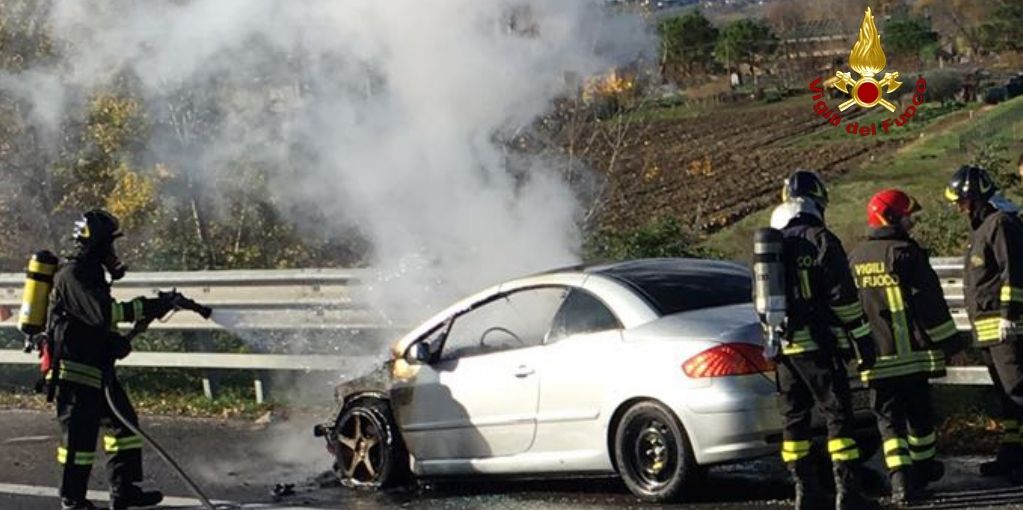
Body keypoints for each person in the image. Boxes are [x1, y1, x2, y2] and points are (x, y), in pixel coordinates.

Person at [770, 170, 879, 510]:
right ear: (818, 202)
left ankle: (805, 492)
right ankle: (849, 493)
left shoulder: (773, 245)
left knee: (794, 419)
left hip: (785, 347)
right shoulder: (821, 240)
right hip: (820, 346)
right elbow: (844, 300)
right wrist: (863, 341)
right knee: (837, 416)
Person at [50, 210, 173, 510]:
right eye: (109, 244)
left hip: (96, 367)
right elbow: (103, 313)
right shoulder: (73, 275)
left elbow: (95, 323)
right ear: (97, 245)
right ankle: (72, 499)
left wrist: (111, 343)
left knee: (123, 425)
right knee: (79, 441)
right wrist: (148, 306)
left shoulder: (92, 273)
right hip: (75, 371)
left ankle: (124, 491)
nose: (114, 252)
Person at [848, 189, 964, 503]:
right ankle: (923, 470)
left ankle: (899, 483)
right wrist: (952, 344)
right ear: (889, 218)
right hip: (913, 358)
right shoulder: (907, 254)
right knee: (920, 421)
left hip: (875, 360)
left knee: (888, 424)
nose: (911, 222)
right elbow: (930, 306)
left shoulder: (854, 258)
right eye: (906, 216)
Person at [946, 166, 1023, 481]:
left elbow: (1014, 273)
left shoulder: (1001, 224)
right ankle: (1012, 454)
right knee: (1007, 399)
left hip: (1007, 329)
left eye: (960, 201)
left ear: (974, 197)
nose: (958, 207)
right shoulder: (982, 227)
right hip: (989, 330)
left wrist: (1009, 314)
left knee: (1018, 392)